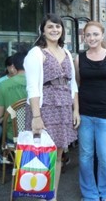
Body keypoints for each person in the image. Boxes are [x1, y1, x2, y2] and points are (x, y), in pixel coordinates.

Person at [24, 14, 80, 201]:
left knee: (59, 153)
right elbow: (32, 86)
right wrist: (36, 116)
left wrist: (76, 110)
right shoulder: (36, 53)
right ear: (43, 30)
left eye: (58, 26)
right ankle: (41, 194)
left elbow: (73, 85)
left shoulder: (66, 52)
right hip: (45, 107)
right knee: (44, 154)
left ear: (62, 30)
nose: (55, 30)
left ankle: (52, 196)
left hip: (64, 106)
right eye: (50, 27)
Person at [75, 21, 106, 201]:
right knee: (85, 156)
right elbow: (78, 84)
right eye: (88, 35)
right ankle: (89, 194)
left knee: (105, 156)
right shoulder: (79, 58)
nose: (92, 38)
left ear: (102, 36)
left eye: (95, 34)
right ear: (84, 37)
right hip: (86, 113)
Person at [0, 52, 27, 141]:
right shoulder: (39, 83)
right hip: (35, 135)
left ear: (14, 66)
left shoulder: (3, 85)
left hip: (14, 135)